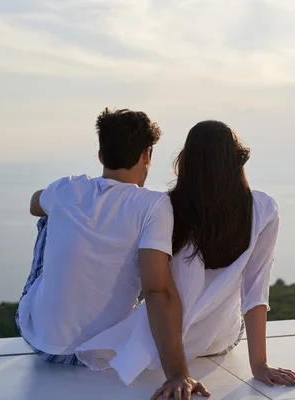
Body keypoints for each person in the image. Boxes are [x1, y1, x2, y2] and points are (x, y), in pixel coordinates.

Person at [76, 120, 295, 394]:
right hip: (220, 339)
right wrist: (260, 364)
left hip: (160, 347)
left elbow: (154, 289)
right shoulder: (264, 208)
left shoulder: (164, 207)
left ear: (186, 162)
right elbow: (255, 291)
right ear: (236, 162)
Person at [16, 108, 209, 400]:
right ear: (147, 155)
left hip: (42, 343)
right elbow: (157, 291)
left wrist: (67, 199)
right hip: (102, 354)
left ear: (101, 156)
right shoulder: (153, 206)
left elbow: (34, 203)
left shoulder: (67, 188)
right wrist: (178, 374)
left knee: (48, 218)